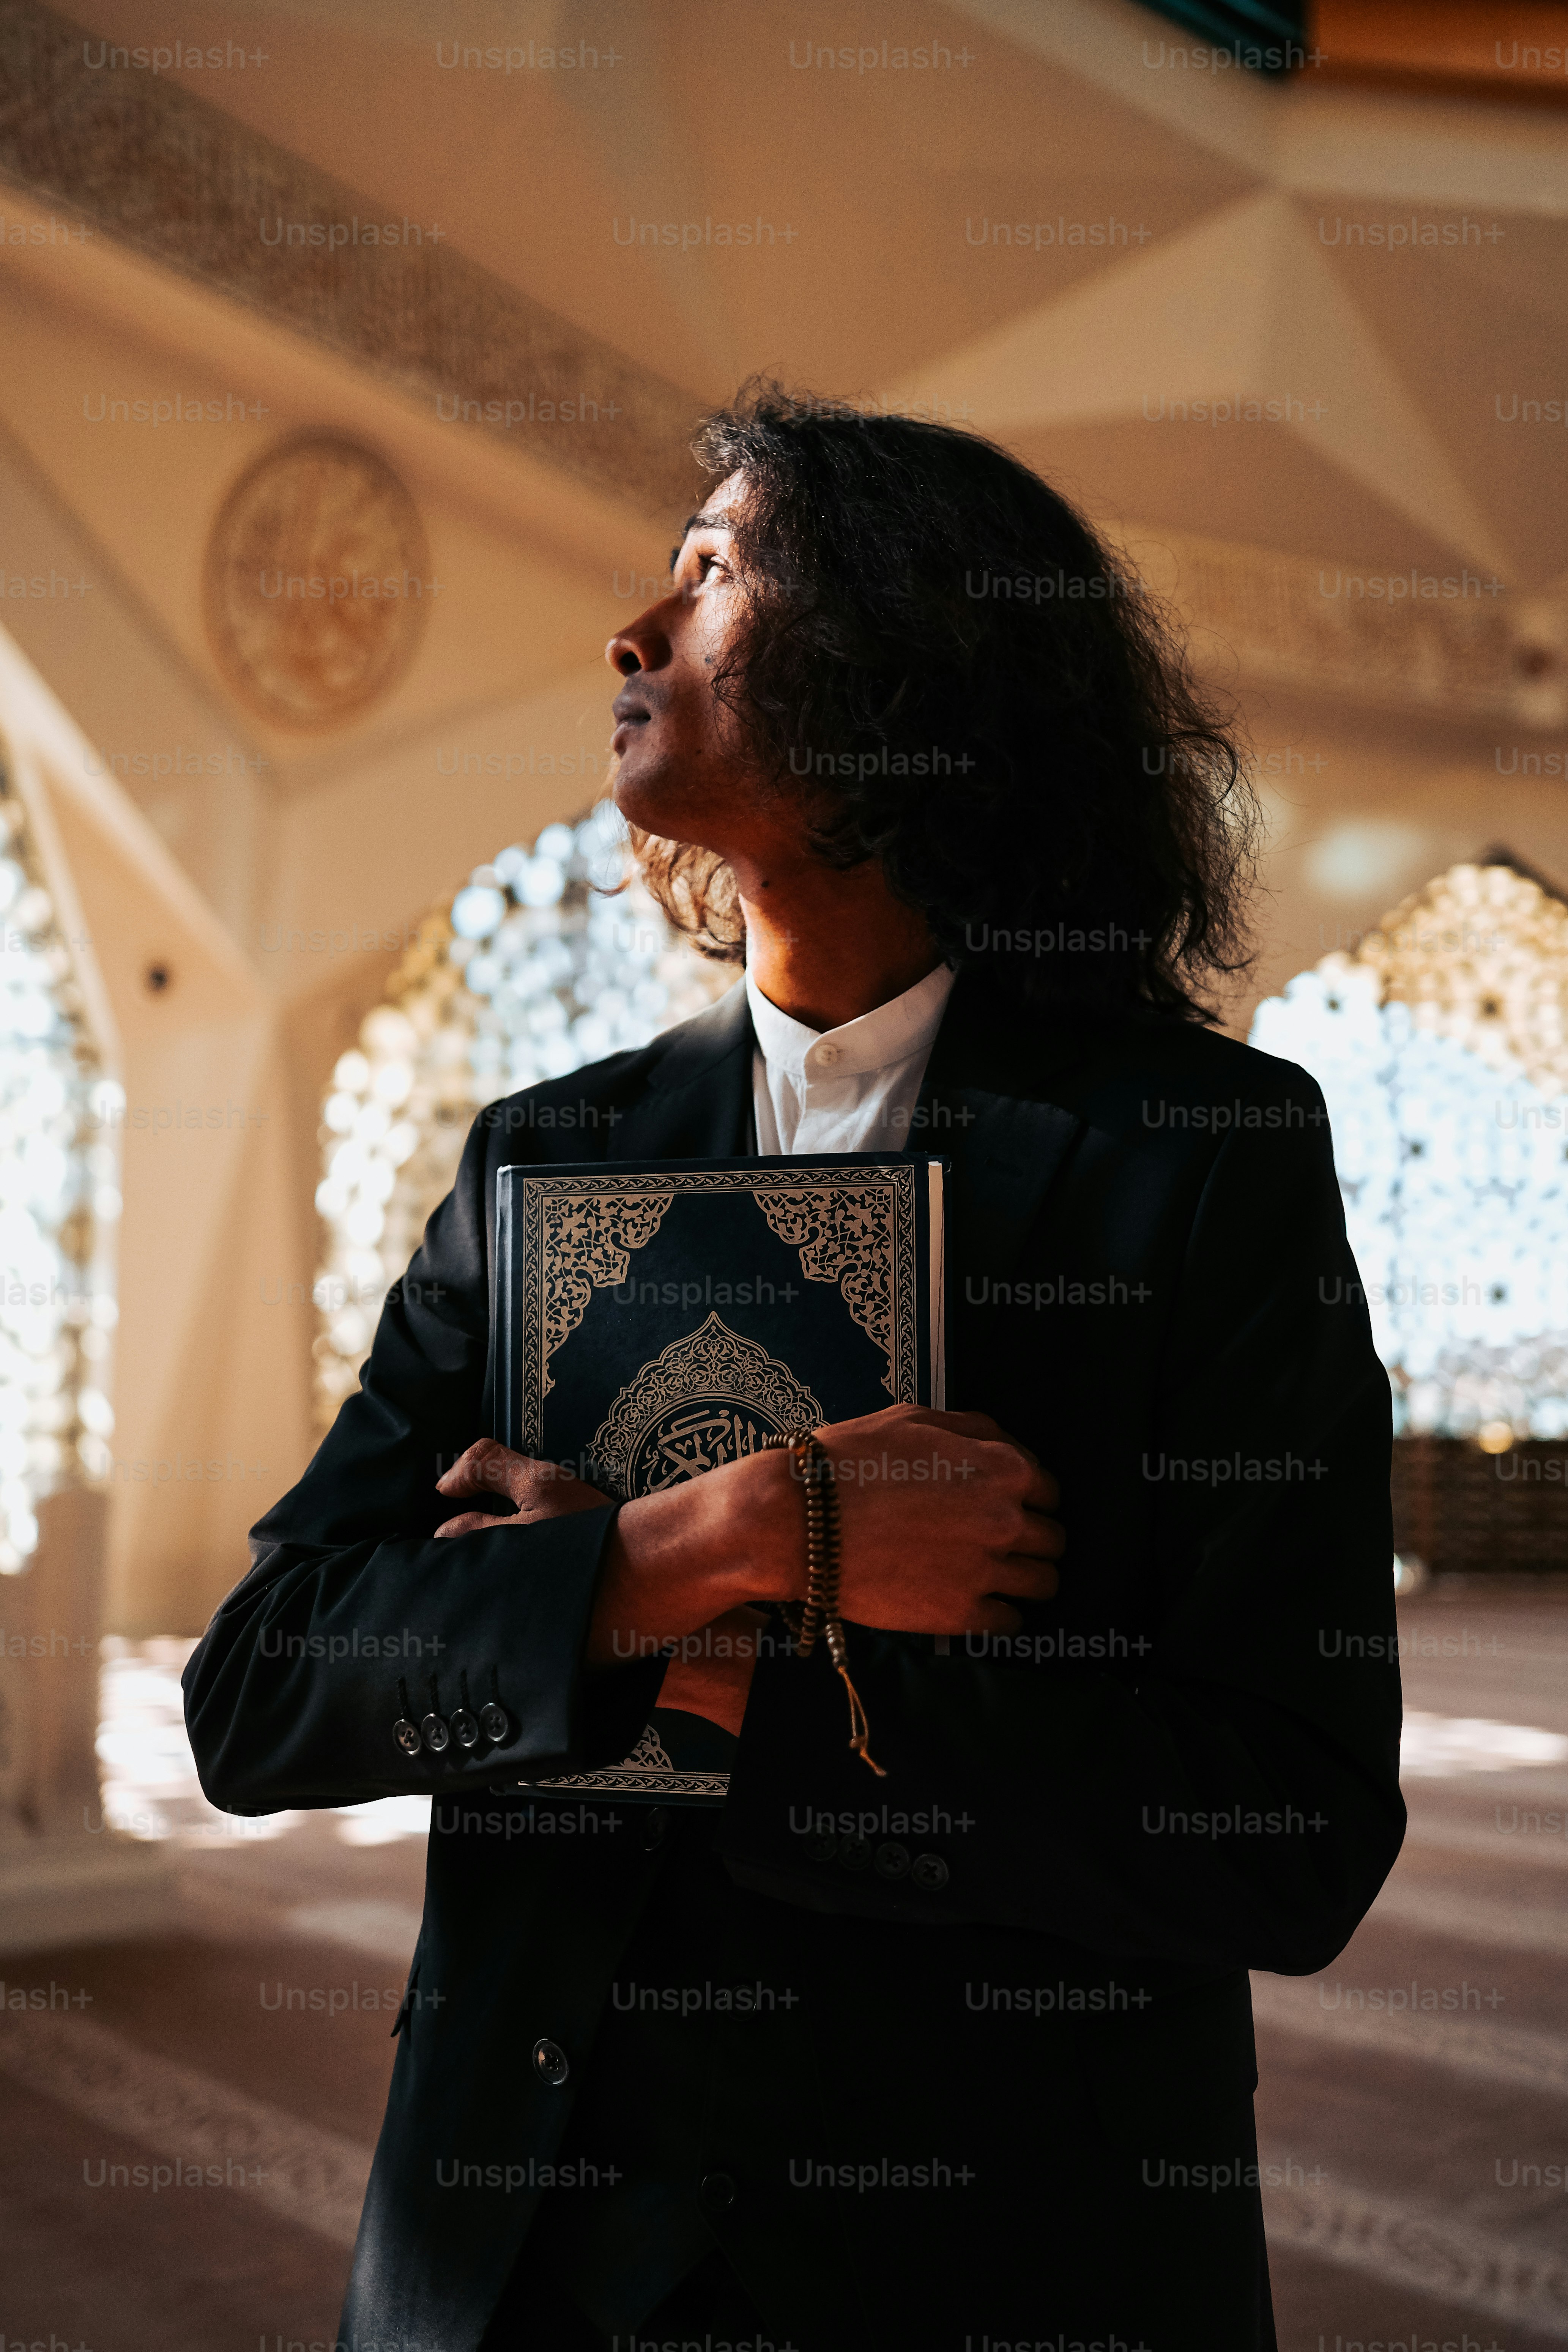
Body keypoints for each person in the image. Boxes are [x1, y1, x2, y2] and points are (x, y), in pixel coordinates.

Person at [183, 387, 1403, 2352]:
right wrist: (722, 1536)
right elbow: (261, 1690)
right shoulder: (542, 1159)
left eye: (714, 573)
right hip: (528, 2253)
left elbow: (1284, 1830)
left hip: (999, 2254)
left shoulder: (1194, 1161)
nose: (633, 632)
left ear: (907, 656)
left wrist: (693, 1660)